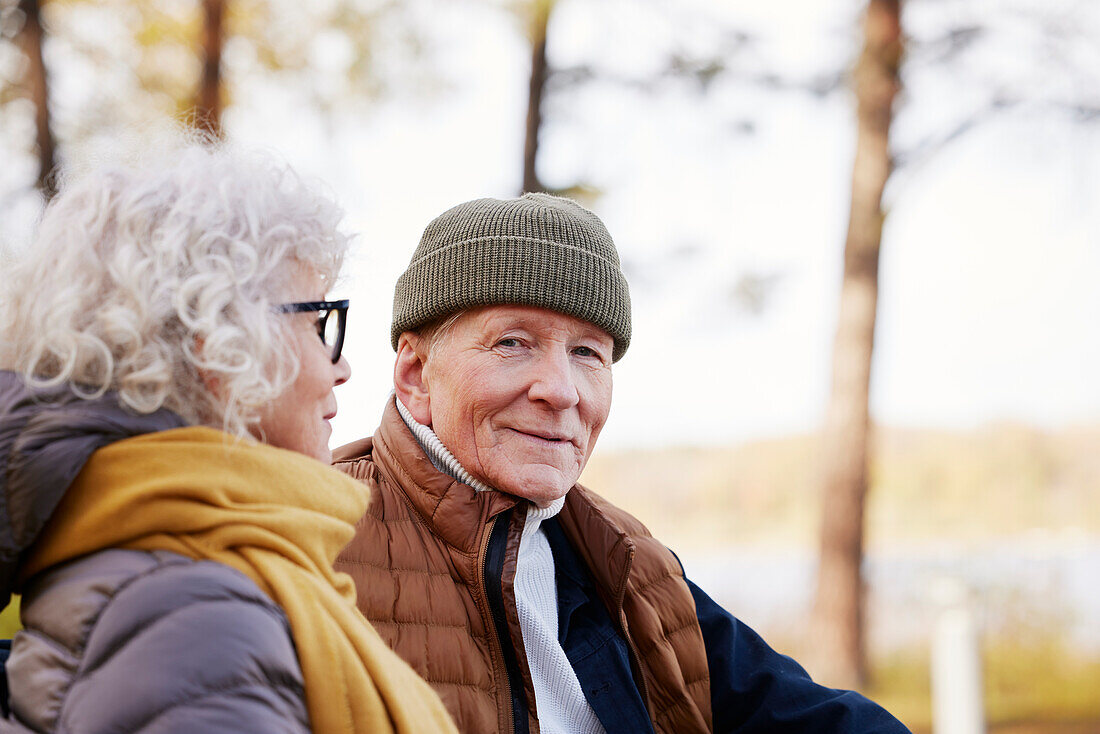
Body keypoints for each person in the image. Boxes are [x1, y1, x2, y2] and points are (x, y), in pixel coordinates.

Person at [332, 193, 911, 733]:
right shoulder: (311, 538)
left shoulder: (630, 561)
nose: (561, 391)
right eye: (512, 342)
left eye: (587, 353)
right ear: (415, 375)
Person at [0, 142, 456, 734]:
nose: (340, 368)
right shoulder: (195, 617)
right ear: (220, 348)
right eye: (319, 324)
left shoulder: (158, 565)